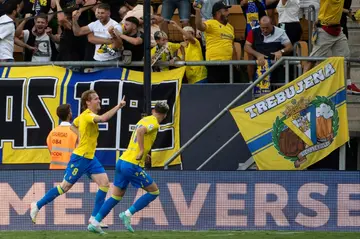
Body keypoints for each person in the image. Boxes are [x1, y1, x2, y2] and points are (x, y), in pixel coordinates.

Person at [30, 90, 126, 227]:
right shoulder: (87, 116)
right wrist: (118, 106)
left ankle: (94, 218)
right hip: (80, 158)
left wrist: (80, 136)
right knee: (64, 187)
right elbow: (104, 118)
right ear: (88, 102)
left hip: (90, 158)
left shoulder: (82, 116)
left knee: (104, 184)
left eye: (99, 98)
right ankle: (37, 205)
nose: (99, 101)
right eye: (96, 99)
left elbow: (73, 126)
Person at [87, 102, 170, 235]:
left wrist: (144, 153)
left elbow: (139, 133)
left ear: (153, 110)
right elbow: (141, 131)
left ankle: (95, 223)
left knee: (116, 196)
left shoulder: (144, 119)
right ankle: (127, 214)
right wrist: (142, 150)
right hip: (132, 164)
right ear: (165, 115)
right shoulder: (154, 122)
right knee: (154, 192)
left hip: (122, 161)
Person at [195, 1, 236, 83]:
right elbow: (199, 26)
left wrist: (235, 62)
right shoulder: (211, 23)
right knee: (216, 91)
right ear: (218, 13)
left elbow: (232, 45)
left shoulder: (230, 27)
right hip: (215, 64)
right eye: (226, 10)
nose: (228, 12)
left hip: (229, 64)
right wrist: (198, 11)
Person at [303, 0, 350, 72]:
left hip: (338, 30)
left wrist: (349, 12)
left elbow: (338, 7)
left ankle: (347, 82)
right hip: (324, 30)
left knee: (345, 59)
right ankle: (301, 81)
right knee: (313, 59)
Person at [46, 104, 77, 170]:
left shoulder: (52, 132)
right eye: (70, 111)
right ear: (69, 115)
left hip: (54, 169)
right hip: (70, 169)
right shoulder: (75, 132)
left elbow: (50, 149)